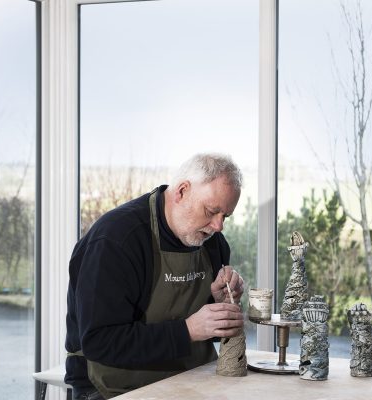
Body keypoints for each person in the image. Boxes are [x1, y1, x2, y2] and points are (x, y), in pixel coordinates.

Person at [65, 153, 245, 400]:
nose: (218, 226)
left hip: (188, 377)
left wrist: (219, 303)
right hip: (112, 386)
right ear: (182, 191)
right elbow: (100, 342)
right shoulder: (116, 241)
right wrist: (189, 330)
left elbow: (209, 333)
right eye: (211, 211)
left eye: (225, 216)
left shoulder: (211, 241)